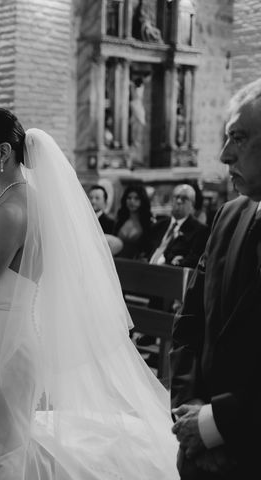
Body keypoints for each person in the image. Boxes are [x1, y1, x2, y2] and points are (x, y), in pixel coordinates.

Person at [0, 108, 179, 479]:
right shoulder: (26, 201)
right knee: (4, 444)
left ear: (3, 153)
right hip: (7, 338)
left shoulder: (10, 212)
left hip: (0, 346)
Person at [170, 78, 261, 478]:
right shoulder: (228, 216)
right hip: (196, 450)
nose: (224, 155)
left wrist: (217, 424)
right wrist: (190, 414)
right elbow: (190, 323)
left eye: (237, 138)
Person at [149, 184, 208, 268]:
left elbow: (194, 260)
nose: (179, 201)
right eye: (176, 197)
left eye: (184, 199)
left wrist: (175, 262)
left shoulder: (200, 230)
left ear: (192, 204)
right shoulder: (158, 225)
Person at [114, 183, 154, 259]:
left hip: (137, 264)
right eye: (129, 198)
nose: (132, 201)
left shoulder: (148, 223)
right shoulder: (119, 220)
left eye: (136, 198)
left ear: (142, 200)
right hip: (117, 261)